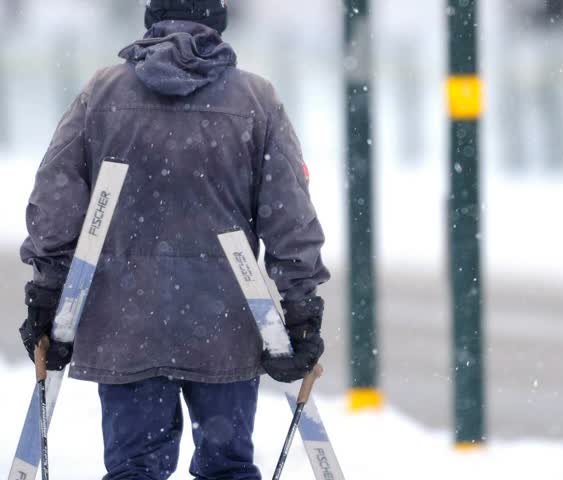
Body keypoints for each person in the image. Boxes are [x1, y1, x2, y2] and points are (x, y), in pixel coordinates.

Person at [17, 1, 330, 478]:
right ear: (219, 20)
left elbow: (55, 201)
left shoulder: (101, 95)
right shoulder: (255, 101)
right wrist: (300, 307)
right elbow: (289, 216)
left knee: (134, 469)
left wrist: (47, 292)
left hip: (126, 322)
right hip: (227, 322)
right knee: (227, 466)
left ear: (151, 15)